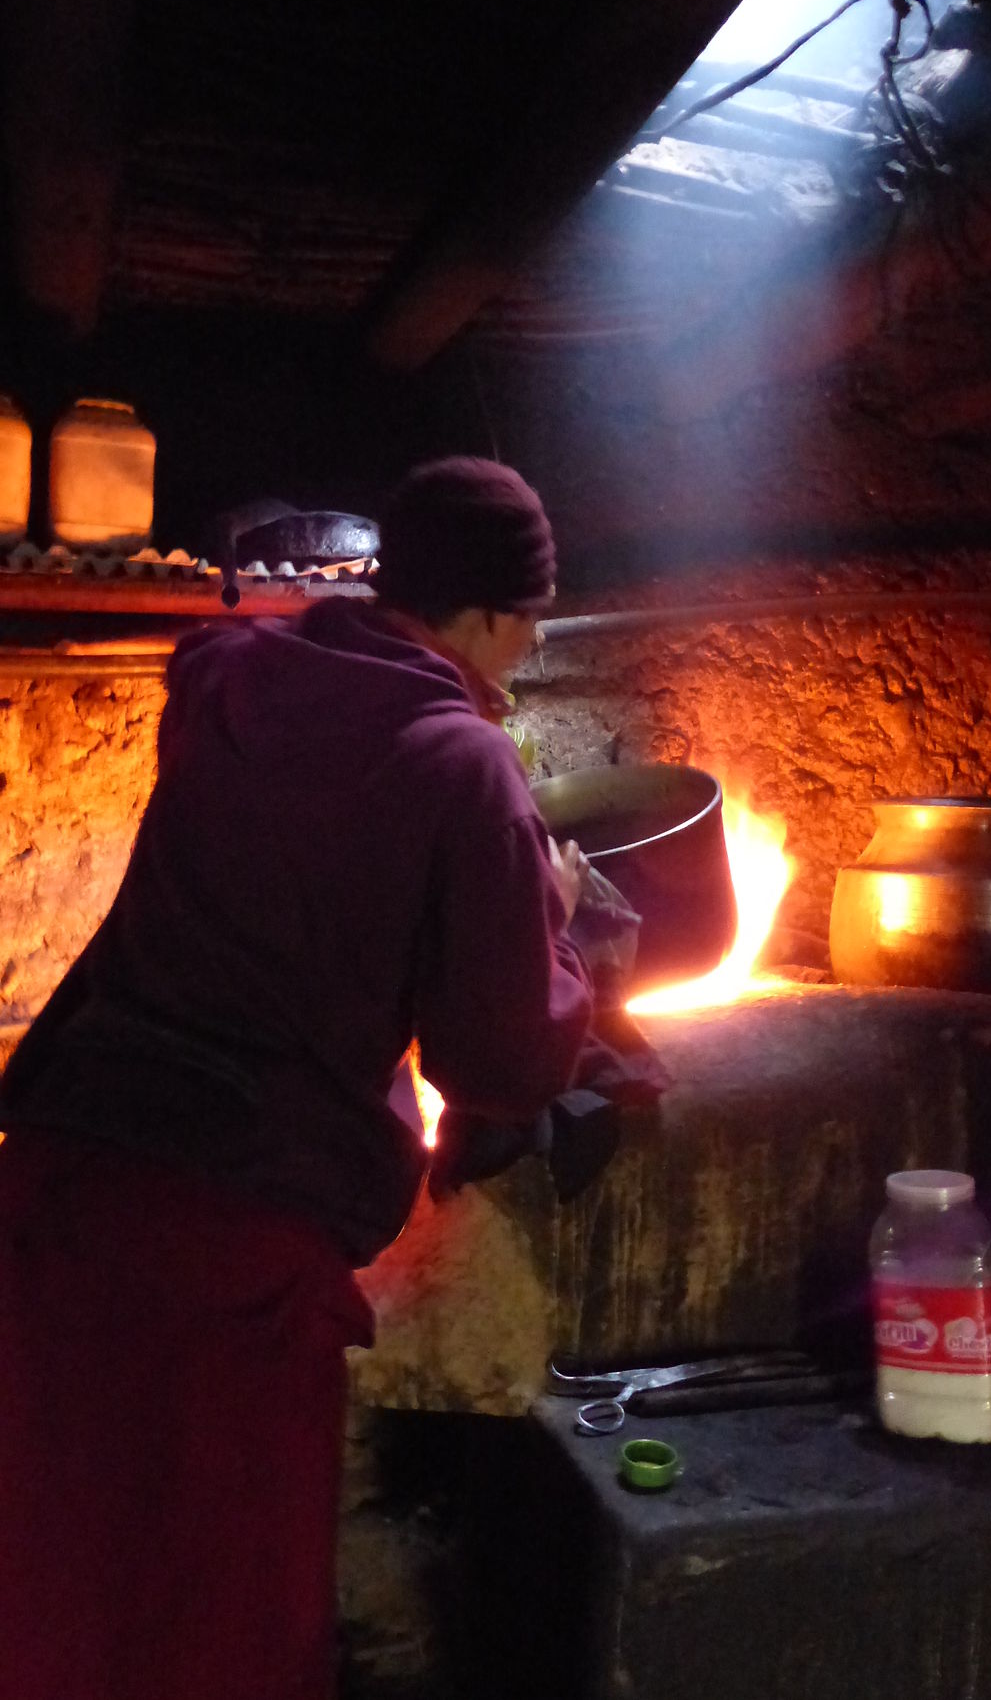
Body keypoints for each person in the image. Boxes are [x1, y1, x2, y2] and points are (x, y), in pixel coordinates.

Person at [0, 456, 594, 1700]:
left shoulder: (225, 677)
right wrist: (556, 922)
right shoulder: (462, 764)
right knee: (216, 1626)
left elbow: (246, 714)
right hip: (234, 1251)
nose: (527, 649)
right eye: (531, 621)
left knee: (55, 1580)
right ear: (489, 613)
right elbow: (498, 1057)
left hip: (61, 1182)